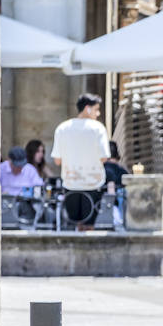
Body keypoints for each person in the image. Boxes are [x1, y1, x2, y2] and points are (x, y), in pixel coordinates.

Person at [51, 93, 111, 230]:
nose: (98, 113)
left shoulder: (62, 128)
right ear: (87, 108)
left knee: (74, 225)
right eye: (96, 109)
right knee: (90, 225)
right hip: (93, 182)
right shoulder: (98, 128)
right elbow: (104, 157)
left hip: (71, 182)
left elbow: (57, 160)